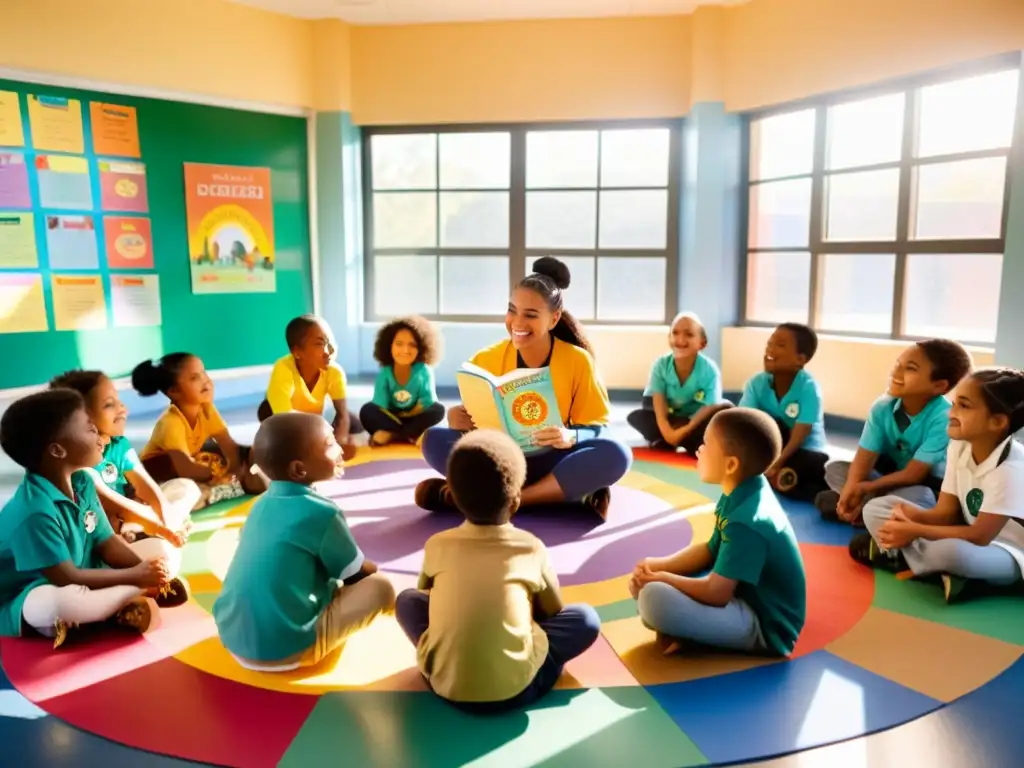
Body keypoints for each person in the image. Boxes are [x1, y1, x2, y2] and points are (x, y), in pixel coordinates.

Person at [394, 429, 600, 711]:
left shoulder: (436, 545)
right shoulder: (531, 547)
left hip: (443, 685)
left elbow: (429, 600)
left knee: (407, 601)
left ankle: (442, 660)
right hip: (518, 689)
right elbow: (553, 611)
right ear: (516, 501)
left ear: (452, 497)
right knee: (585, 619)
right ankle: (523, 662)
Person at [415, 257, 632, 519]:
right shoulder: (484, 360)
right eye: (512, 310)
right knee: (433, 439)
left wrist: (569, 436)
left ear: (554, 319)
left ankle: (504, 499)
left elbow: (597, 427)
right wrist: (455, 418)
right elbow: (473, 422)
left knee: (616, 453)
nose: (517, 323)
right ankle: (559, 495)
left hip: (555, 459)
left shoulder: (577, 360)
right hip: (500, 461)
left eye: (530, 315)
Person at [0, 390, 189, 650]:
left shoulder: (84, 481)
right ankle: (129, 599)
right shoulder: (34, 512)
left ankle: (117, 607)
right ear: (58, 450)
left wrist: (147, 570)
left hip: (89, 571)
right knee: (54, 605)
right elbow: (66, 577)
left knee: (162, 550)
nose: (99, 436)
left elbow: (106, 541)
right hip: (34, 592)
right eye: (89, 430)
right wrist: (137, 576)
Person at [213, 412, 395, 671]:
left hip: (233, 640)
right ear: (299, 469)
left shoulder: (259, 505)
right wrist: (372, 568)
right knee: (380, 587)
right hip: (289, 648)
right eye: (330, 444)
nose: (340, 448)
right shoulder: (322, 512)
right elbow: (356, 575)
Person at [630, 408, 806, 655]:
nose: (699, 450)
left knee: (653, 598)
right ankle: (690, 631)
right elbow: (711, 550)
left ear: (731, 464)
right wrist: (658, 566)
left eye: (706, 443)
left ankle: (692, 635)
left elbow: (717, 593)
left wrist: (662, 578)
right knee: (644, 585)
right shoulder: (744, 487)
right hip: (743, 598)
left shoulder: (746, 520)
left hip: (765, 625)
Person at [853, 367, 1024, 603]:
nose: (950, 413)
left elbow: (979, 536)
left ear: (997, 422)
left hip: (1009, 553)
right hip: (964, 533)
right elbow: (944, 513)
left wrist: (915, 530)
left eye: (963, 406)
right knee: (875, 509)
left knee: (952, 554)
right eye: (954, 404)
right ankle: (935, 570)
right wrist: (910, 516)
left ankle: (905, 558)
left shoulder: (1012, 469)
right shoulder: (960, 445)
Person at [816, 340, 972, 525]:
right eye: (898, 364)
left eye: (911, 368)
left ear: (939, 386)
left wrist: (866, 488)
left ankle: (875, 511)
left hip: (924, 484)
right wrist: (851, 490)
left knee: (921, 496)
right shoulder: (882, 407)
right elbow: (864, 458)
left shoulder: (943, 417)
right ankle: (873, 512)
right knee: (835, 470)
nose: (896, 372)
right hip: (889, 477)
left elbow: (914, 475)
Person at [48, 369, 200, 554]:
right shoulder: (76, 465)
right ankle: (150, 534)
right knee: (162, 555)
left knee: (185, 488)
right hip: (100, 533)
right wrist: (159, 526)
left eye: (119, 401)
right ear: (81, 419)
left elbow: (147, 488)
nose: (123, 409)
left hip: (131, 521)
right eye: (109, 404)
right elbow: (115, 508)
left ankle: (154, 531)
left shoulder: (119, 445)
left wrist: (165, 520)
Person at [133, 353, 267, 508]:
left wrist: (234, 470)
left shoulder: (206, 409)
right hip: (162, 474)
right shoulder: (170, 422)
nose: (206, 380)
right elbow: (183, 467)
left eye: (204, 373)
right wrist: (219, 476)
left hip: (192, 464)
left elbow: (228, 445)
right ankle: (214, 491)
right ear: (174, 391)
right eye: (194, 377)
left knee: (250, 452)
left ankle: (232, 486)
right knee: (191, 490)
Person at [738, 323, 829, 500]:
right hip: (773, 448)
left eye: (780, 345)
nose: (770, 349)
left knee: (816, 465)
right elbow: (744, 423)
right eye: (769, 343)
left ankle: (784, 478)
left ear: (800, 359)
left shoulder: (809, 388)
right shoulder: (756, 383)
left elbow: (800, 435)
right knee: (766, 426)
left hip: (804, 451)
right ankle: (787, 481)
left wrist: (775, 464)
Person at [258, 314, 362, 459]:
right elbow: (283, 416)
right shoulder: (283, 368)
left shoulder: (334, 371)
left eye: (329, 341)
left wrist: (340, 443)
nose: (329, 350)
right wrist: (322, 437)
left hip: (317, 417)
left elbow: (342, 414)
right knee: (272, 422)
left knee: (353, 422)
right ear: (297, 352)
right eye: (319, 344)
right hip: (285, 420)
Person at [626, 312, 731, 453]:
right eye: (675, 333)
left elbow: (709, 407)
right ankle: (684, 441)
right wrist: (669, 433)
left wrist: (681, 432)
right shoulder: (661, 365)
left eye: (689, 334)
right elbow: (659, 407)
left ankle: (675, 439)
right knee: (638, 417)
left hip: (694, 420)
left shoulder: (710, 371)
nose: (680, 339)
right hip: (666, 416)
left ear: (702, 343)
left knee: (723, 415)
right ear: (669, 339)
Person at [359, 316, 445, 447]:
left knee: (438, 409)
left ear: (421, 348)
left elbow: (427, 403)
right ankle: (410, 435)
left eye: (412, 345)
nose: (405, 350)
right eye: (399, 344)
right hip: (391, 418)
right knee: (367, 410)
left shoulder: (424, 371)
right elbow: (381, 407)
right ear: (389, 346)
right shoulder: (385, 373)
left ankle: (393, 436)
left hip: (416, 417)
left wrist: (409, 414)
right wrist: (399, 416)